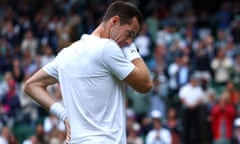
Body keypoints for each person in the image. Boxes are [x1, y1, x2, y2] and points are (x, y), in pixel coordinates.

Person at [23, 1, 153, 144]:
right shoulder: (107, 47)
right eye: (129, 33)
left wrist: (64, 116)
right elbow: (145, 84)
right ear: (114, 21)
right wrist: (132, 50)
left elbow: (31, 85)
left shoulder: (66, 54)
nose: (129, 40)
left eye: (132, 38)